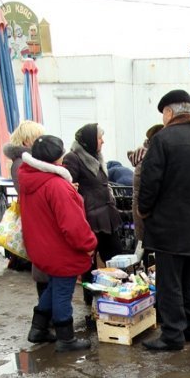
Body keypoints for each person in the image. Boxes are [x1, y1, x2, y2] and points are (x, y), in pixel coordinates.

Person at [138, 89, 190, 351]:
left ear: (170, 112)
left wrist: (145, 211)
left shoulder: (163, 141)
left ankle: (172, 334)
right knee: (189, 279)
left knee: (169, 282)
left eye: (163, 113)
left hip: (167, 226)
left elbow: (149, 185)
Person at [18, 135, 97, 352]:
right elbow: (72, 225)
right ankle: (66, 338)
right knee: (63, 292)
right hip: (60, 248)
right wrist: (89, 243)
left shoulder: (30, 179)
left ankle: (38, 329)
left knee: (53, 287)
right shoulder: (56, 185)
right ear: (56, 158)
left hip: (42, 247)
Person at [62, 123, 123, 303]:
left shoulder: (95, 156)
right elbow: (68, 186)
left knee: (115, 257)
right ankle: (91, 300)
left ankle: (117, 295)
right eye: (99, 137)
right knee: (88, 262)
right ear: (89, 140)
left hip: (106, 215)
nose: (102, 141)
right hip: (89, 217)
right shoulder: (73, 158)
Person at [3, 119, 48, 294]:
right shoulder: (22, 164)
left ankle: (45, 313)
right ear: (26, 141)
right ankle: (43, 314)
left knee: (45, 269)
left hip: (37, 218)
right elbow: (29, 191)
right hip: (36, 220)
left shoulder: (29, 161)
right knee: (43, 269)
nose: (41, 141)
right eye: (38, 137)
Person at [127, 124, 164, 252]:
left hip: (144, 217)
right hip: (147, 220)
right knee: (150, 257)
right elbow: (146, 192)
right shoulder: (148, 161)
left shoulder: (147, 157)